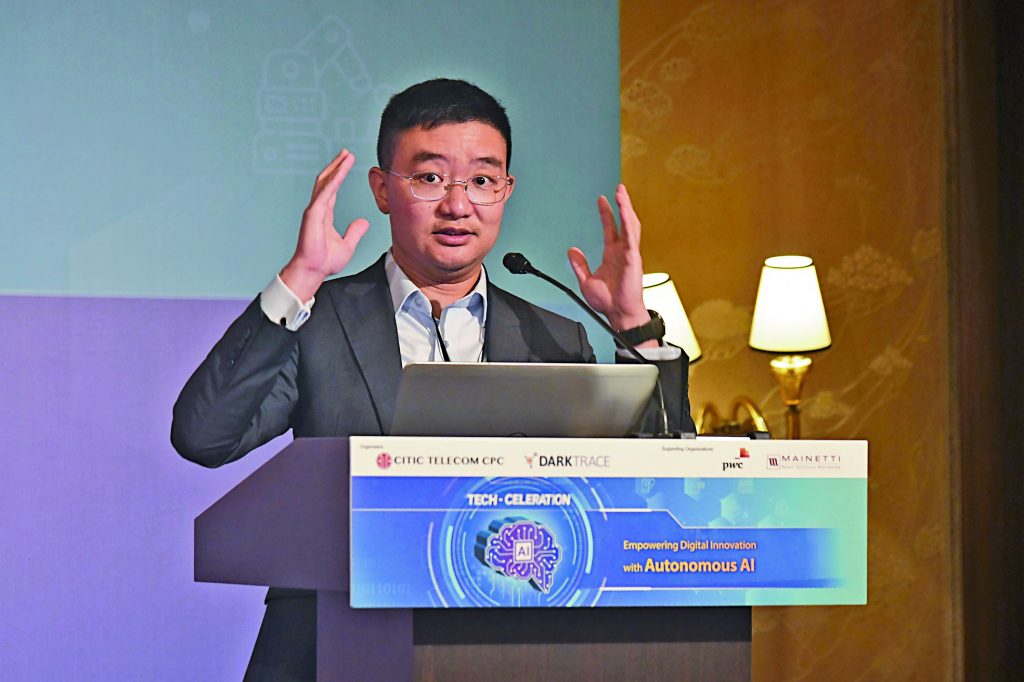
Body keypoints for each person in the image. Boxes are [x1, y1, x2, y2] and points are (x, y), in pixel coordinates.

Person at [172, 78, 694, 680]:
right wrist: (301, 277)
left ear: (506, 190)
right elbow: (204, 437)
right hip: (331, 644)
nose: (458, 204)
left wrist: (633, 325)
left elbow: (662, 488)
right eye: (430, 177)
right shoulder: (319, 320)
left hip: (511, 647)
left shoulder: (555, 338)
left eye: (482, 181)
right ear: (382, 189)